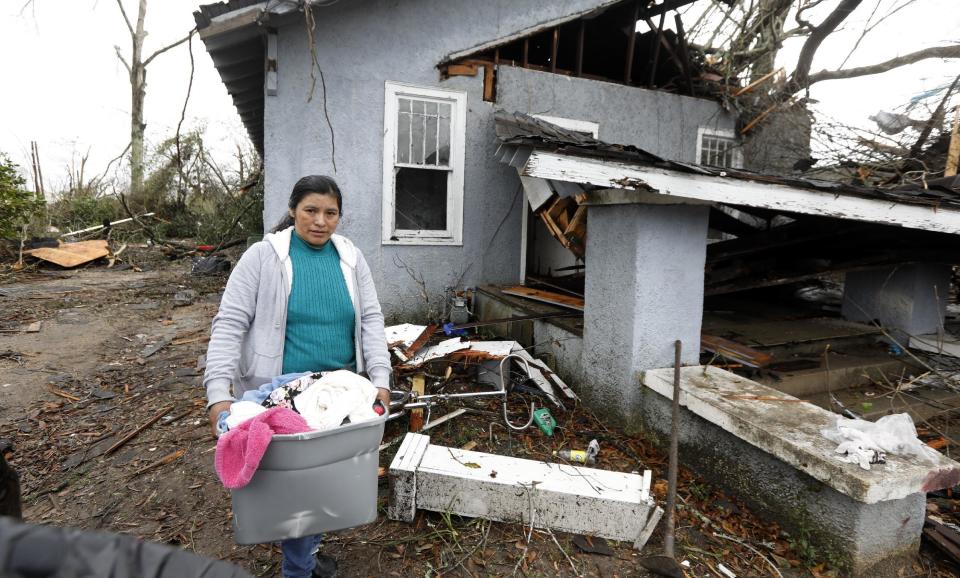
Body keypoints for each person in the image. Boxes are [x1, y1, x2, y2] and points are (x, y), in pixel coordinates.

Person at [203, 175, 392, 578]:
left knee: (326, 481)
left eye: (331, 213)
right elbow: (230, 323)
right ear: (292, 210)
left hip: (339, 391)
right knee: (304, 488)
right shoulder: (263, 257)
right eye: (311, 210)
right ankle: (298, 569)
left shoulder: (350, 258)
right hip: (285, 393)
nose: (320, 221)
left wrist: (380, 378)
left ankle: (305, 553)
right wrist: (218, 392)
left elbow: (371, 320)